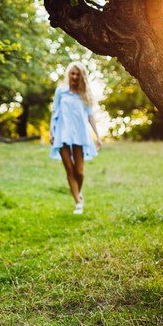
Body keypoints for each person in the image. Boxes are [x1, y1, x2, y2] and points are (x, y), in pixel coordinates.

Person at [49, 61, 102, 215]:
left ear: (82, 76)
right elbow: (55, 111)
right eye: (72, 73)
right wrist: (51, 132)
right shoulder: (61, 91)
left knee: (79, 171)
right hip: (61, 133)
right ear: (68, 74)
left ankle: (78, 192)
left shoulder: (84, 94)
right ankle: (78, 202)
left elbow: (90, 116)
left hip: (79, 133)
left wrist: (97, 136)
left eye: (77, 74)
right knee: (69, 168)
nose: (74, 76)